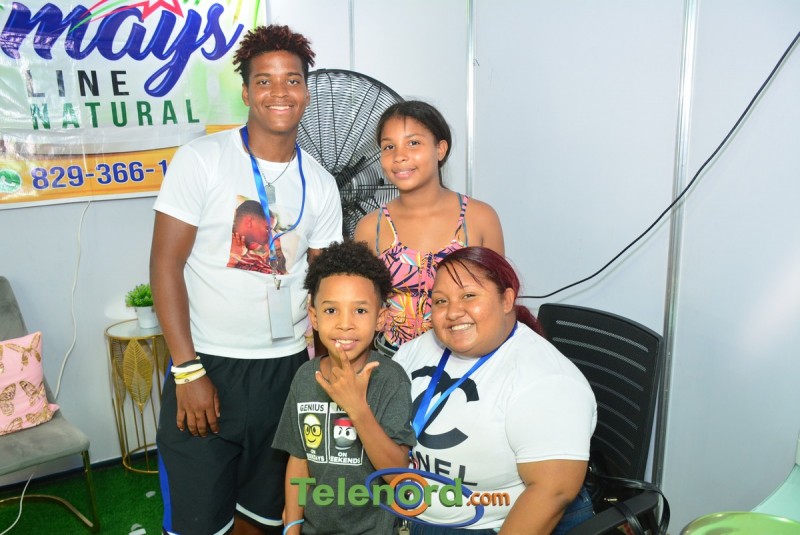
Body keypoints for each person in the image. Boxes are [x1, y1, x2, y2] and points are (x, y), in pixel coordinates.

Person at [150, 24, 342, 535]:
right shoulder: (202, 159)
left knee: (266, 515)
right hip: (209, 364)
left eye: (292, 80)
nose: (280, 92)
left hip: (286, 370)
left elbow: (324, 286)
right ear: (245, 92)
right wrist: (187, 370)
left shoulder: (321, 183)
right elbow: (165, 265)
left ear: (307, 91)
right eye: (264, 80)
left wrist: (327, 369)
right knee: (198, 521)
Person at [392, 247, 597, 534]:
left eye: (469, 296)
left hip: (487, 525)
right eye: (441, 301)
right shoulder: (420, 348)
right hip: (409, 508)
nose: (453, 312)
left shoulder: (548, 382)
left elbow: (552, 493)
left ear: (507, 299)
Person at [273, 240, 416, 534]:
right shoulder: (305, 377)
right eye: (331, 310)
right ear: (314, 316)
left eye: (360, 311)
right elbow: (299, 460)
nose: (345, 324)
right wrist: (292, 525)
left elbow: (398, 475)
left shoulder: (391, 379)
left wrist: (357, 408)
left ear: (380, 318)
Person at [354, 101, 504, 355]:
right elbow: (361, 308)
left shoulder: (480, 218)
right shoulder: (370, 228)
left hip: (465, 360)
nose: (399, 156)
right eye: (389, 146)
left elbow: (498, 305)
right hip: (391, 361)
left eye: (413, 143)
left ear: (440, 149)